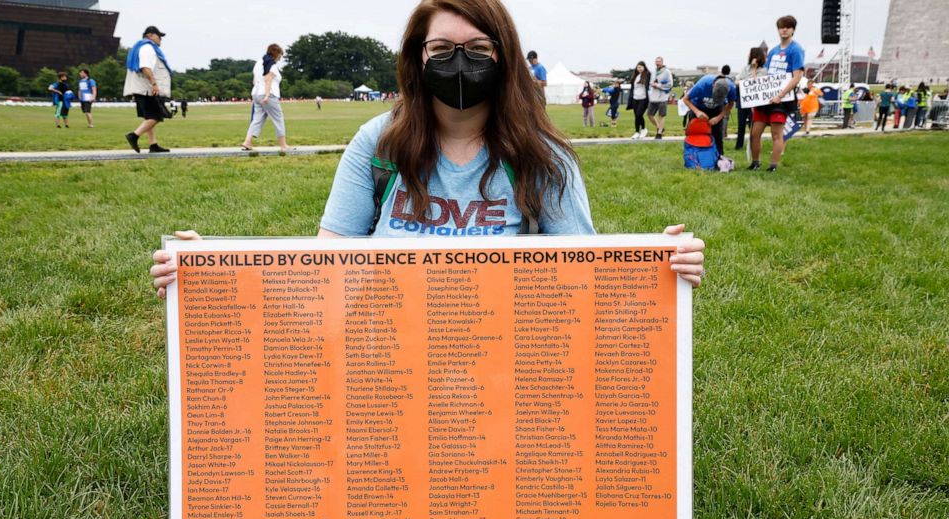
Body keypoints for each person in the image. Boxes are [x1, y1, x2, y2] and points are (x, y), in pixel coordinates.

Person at [151, 0, 706, 298]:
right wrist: (211, 271)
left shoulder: (544, 157)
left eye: (476, 48)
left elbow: (583, 282)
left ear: (504, 55)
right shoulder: (379, 142)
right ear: (418, 57)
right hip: (384, 359)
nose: (458, 62)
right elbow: (322, 269)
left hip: (507, 369)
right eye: (441, 48)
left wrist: (659, 265)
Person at [749, 15, 804, 172]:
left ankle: (773, 165)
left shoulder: (796, 50)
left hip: (782, 100)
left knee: (776, 134)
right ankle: (755, 162)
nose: (784, 30)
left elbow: (797, 76)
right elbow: (764, 75)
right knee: (755, 133)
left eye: (788, 27)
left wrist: (780, 95)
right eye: (781, 27)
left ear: (793, 29)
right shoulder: (773, 51)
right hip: (766, 98)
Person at [123, 25, 173, 153]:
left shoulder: (141, 47)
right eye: (159, 36)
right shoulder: (148, 48)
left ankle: (153, 145)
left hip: (141, 88)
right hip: (147, 89)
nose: (161, 39)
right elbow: (145, 67)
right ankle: (134, 135)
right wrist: (154, 84)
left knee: (149, 117)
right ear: (150, 35)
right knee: (157, 116)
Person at [241, 43, 289, 152]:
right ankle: (283, 145)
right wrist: (267, 95)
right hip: (268, 94)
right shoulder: (271, 64)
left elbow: (254, 79)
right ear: (276, 54)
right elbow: (268, 80)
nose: (280, 59)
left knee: (257, 119)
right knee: (278, 118)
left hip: (256, 93)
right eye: (280, 56)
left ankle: (247, 142)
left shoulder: (259, 62)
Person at [683, 73, 736, 156]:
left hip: (717, 110)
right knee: (697, 134)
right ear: (712, 87)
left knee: (718, 136)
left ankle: (719, 158)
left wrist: (718, 118)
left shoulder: (731, 88)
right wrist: (697, 112)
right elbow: (686, 99)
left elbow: (730, 104)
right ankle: (694, 157)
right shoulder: (702, 84)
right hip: (698, 107)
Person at [735, 47, 766, 149]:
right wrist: (746, 83)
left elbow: (756, 84)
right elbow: (737, 81)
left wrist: (754, 69)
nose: (748, 55)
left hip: (754, 101)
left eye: (750, 53)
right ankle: (739, 145)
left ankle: (753, 145)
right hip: (743, 99)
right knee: (741, 123)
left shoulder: (763, 70)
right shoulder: (745, 68)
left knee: (753, 124)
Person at [647, 56, 673, 139]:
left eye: (659, 61)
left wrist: (658, 85)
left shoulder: (667, 72)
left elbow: (670, 84)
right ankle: (660, 128)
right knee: (649, 114)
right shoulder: (653, 72)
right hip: (653, 97)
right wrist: (652, 85)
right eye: (656, 61)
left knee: (661, 115)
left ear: (662, 62)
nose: (657, 63)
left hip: (662, 97)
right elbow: (651, 82)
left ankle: (659, 134)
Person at [626, 61, 650, 139]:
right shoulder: (636, 76)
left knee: (639, 115)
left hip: (643, 98)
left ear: (644, 67)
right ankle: (637, 132)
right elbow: (633, 88)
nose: (639, 68)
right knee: (636, 116)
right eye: (638, 67)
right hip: (635, 98)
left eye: (641, 67)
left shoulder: (647, 75)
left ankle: (643, 129)